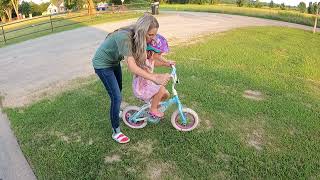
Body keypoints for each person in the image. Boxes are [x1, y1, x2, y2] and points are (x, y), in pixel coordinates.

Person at [92, 14, 171, 144]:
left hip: (114, 63)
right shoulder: (125, 37)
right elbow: (132, 67)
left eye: (155, 34)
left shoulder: (137, 38)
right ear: (142, 32)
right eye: (151, 35)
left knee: (118, 90)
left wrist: (165, 62)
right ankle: (116, 131)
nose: (153, 38)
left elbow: (147, 59)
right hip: (102, 65)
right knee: (116, 97)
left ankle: (116, 111)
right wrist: (153, 78)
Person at [132, 34, 174, 118]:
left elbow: (155, 62)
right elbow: (148, 74)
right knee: (161, 89)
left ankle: (153, 104)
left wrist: (166, 63)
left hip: (148, 84)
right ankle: (153, 109)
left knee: (165, 94)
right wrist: (161, 76)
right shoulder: (142, 61)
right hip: (142, 88)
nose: (161, 55)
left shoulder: (150, 57)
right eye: (159, 53)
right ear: (150, 51)